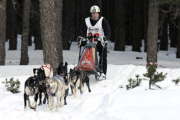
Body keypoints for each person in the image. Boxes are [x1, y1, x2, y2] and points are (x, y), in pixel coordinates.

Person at [78, 5, 111, 79]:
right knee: (86, 55)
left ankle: (102, 72)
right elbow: (82, 31)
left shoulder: (103, 20)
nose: (94, 15)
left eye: (96, 13)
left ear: (98, 13)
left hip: (100, 43)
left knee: (103, 56)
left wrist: (104, 38)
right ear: (91, 14)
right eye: (93, 13)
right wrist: (81, 37)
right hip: (89, 43)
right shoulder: (86, 21)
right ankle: (84, 69)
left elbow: (108, 31)